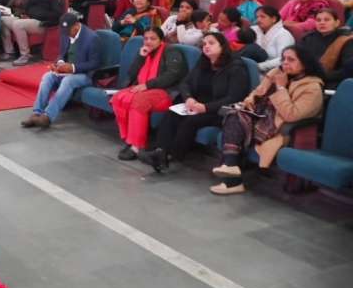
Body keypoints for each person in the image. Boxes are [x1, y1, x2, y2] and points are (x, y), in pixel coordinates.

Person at [211, 45, 325, 195]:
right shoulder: (277, 73)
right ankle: (231, 169)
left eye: (291, 60)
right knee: (234, 115)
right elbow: (257, 92)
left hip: (279, 128)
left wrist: (281, 88)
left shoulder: (312, 88)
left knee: (237, 124)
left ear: (305, 63)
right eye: (283, 59)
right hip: (260, 117)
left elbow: (291, 115)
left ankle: (232, 178)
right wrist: (249, 101)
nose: (285, 63)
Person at [138, 33, 251, 173]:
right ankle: (159, 150)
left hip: (219, 110)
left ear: (222, 46)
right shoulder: (203, 61)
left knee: (191, 121)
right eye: (204, 44)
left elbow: (234, 97)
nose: (206, 46)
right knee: (173, 112)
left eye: (211, 43)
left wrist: (205, 107)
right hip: (197, 103)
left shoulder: (236, 67)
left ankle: (169, 156)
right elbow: (185, 83)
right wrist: (188, 98)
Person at [111, 27, 189, 160]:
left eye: (153, 39)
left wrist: (148, 85)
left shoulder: (172, 51)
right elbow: (131, 74)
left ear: (161, 40)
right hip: (146, 89)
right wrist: (141, 57)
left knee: (139, 101)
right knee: (118, 97)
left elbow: (173, 75)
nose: (148, 42)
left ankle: (136, 146)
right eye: (146, 38)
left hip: (166, 91)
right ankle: (129, 139)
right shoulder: (145, 51)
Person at [21, 12, 101, 129]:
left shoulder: (92, 38)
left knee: (68, 81)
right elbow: (62, 54)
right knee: (47, 77)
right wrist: (60, 63)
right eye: (64, 31)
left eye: (69, 31)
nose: (66, 34)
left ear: (76, 25)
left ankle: (47, 117)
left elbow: (95, 63)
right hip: (67, 71)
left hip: (85, 75)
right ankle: (36, 113)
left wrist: (72, 67)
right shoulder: (65, 33)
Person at [3, 0, 65, 66]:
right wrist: (26, 14)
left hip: (44, 23)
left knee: (18, 24)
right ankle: (9, 51)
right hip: (30, 20)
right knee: (3, 20)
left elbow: (57, 14)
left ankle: (25, 55)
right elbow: (27, 8)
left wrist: (35, 15)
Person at [298, 8, 353, 86]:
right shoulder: (307, 39)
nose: (322, 23)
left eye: (327, 20)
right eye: (318, 20)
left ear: (337, 23)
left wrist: (320, 76)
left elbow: (347, 71)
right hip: (305, 79)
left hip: (332, 82)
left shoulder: (346, 40)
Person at [253, 6, 295, 72]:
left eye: (262, 17)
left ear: (274, 19)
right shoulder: (254, 30)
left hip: (276, 71)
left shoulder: (283, 34)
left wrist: (258, 66)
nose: (258, 20)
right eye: (257, 17)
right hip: (256, 67)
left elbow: (282, 59)